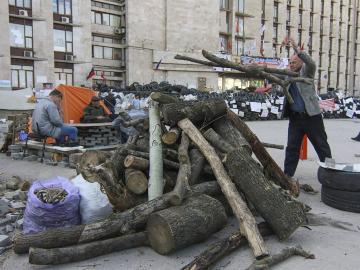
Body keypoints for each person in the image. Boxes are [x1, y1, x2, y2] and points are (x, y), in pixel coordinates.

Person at [282, 38, 332, 177]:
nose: (291, 65)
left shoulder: (307, 72)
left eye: (294, 62)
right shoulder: (288, 76)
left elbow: (311, 62)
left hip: (312, 117)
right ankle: (287, 176)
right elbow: (274, 76)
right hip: (295, 119)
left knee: (322, 147)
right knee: (292, 148)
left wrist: (297, 49)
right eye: (290, 63)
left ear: (301, 62)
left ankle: (332, 174)